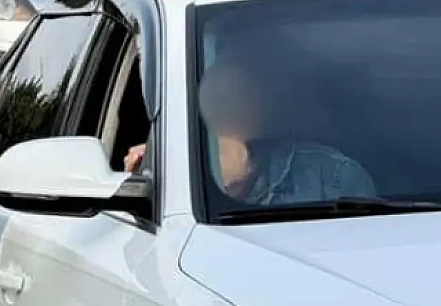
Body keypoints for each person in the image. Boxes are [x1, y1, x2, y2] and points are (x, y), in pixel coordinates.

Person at [124, 52, 377, 204]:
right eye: (217, 96)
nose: (228, 107)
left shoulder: (332, 177)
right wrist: (140, 183)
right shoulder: (166, 166)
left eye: (241, 95)